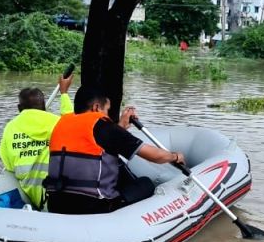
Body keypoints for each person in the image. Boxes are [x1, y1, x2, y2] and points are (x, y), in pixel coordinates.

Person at [43, 85, 185, 215]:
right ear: (96, 107)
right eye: (107, 110)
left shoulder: (61, 124)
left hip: (56, 204)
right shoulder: (105, 127)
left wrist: (120, 126)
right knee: (145, 184)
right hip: (93, 207)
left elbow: (94, 143)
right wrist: (175, 156)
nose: (107, 114)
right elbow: (156, 157)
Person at [0, 72, 74, 210]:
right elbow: (72, 123)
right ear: (44, 105)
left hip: (29, 192)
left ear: (19, 108)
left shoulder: (10, 127)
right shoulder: (56, 123)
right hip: (56, 193)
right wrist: (64, 94)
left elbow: (8, 165)